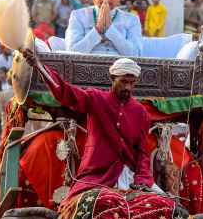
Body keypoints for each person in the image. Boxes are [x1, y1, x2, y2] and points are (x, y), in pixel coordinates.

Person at [22, 51, 153, 197]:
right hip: (95, 176)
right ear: (112, 78)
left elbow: (142, 153)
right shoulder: (96, 99)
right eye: (123, 82)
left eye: (132, 83)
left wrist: (142, 180)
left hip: (129, 176)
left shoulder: (140, 112)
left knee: (166, 207)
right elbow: (67, 93)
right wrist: (40, 67)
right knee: (76, 208)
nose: (128, 87)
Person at [65, 0, 143, 56]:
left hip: (120, 68)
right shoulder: (78, 16)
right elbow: (71, 52)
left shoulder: (132, 20)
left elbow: (136, 54)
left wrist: (111, 30)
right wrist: (97, 30)